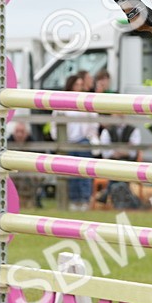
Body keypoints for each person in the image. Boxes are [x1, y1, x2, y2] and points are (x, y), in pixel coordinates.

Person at [55, 71, 97, 210]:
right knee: (71, 173)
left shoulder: (86, 100)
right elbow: (55, 123)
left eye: (80, 84)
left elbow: (93, 121)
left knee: (85, 173)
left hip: (83, 140)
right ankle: (73, 200)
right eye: (76, 84)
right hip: (68, 142)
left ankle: (85, 200)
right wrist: (59, 140)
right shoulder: (62, 101)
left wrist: (91, 137)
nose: (79, 87)